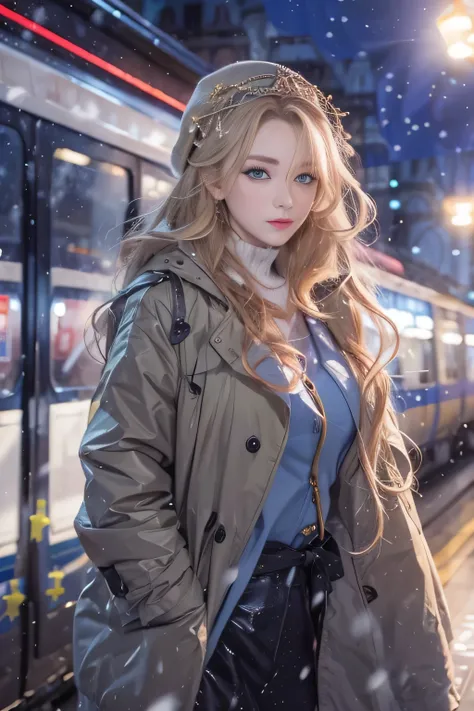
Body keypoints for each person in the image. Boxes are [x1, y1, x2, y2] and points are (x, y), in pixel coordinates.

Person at [73, 61, 459, 711]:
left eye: (305, 177)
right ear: (215, 177)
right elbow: (118, 479)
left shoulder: (328, 308)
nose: (286, 199)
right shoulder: (167, 303)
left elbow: (372, 496)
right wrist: (180, 618)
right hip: (220, 629)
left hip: (323, 615)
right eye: (260, 171)